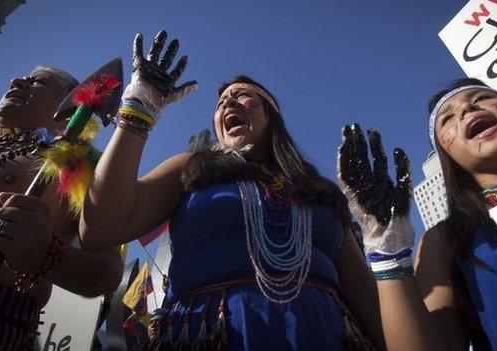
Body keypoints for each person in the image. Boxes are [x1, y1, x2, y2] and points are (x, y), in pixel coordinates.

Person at [80, 30, 385, 350]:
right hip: (211, 336)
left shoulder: (322, 192)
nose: (228, 103)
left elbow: (364, 292)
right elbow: (101, 227)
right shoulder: (190, 168)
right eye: (221, 102)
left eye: (241, 95)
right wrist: (139, 107)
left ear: (272, 114)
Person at [337, 78, 497, 351]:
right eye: (447, 119)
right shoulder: (447, 240)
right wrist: (387, 255)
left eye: (481, 98)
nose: (467, 109)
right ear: (448, 157)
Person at [0, 66, 124, 350]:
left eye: (36, 81)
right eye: (21, 78)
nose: (15, 81)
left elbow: (108, 271)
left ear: (70, 102)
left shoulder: (82, 163)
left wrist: (44, 253)